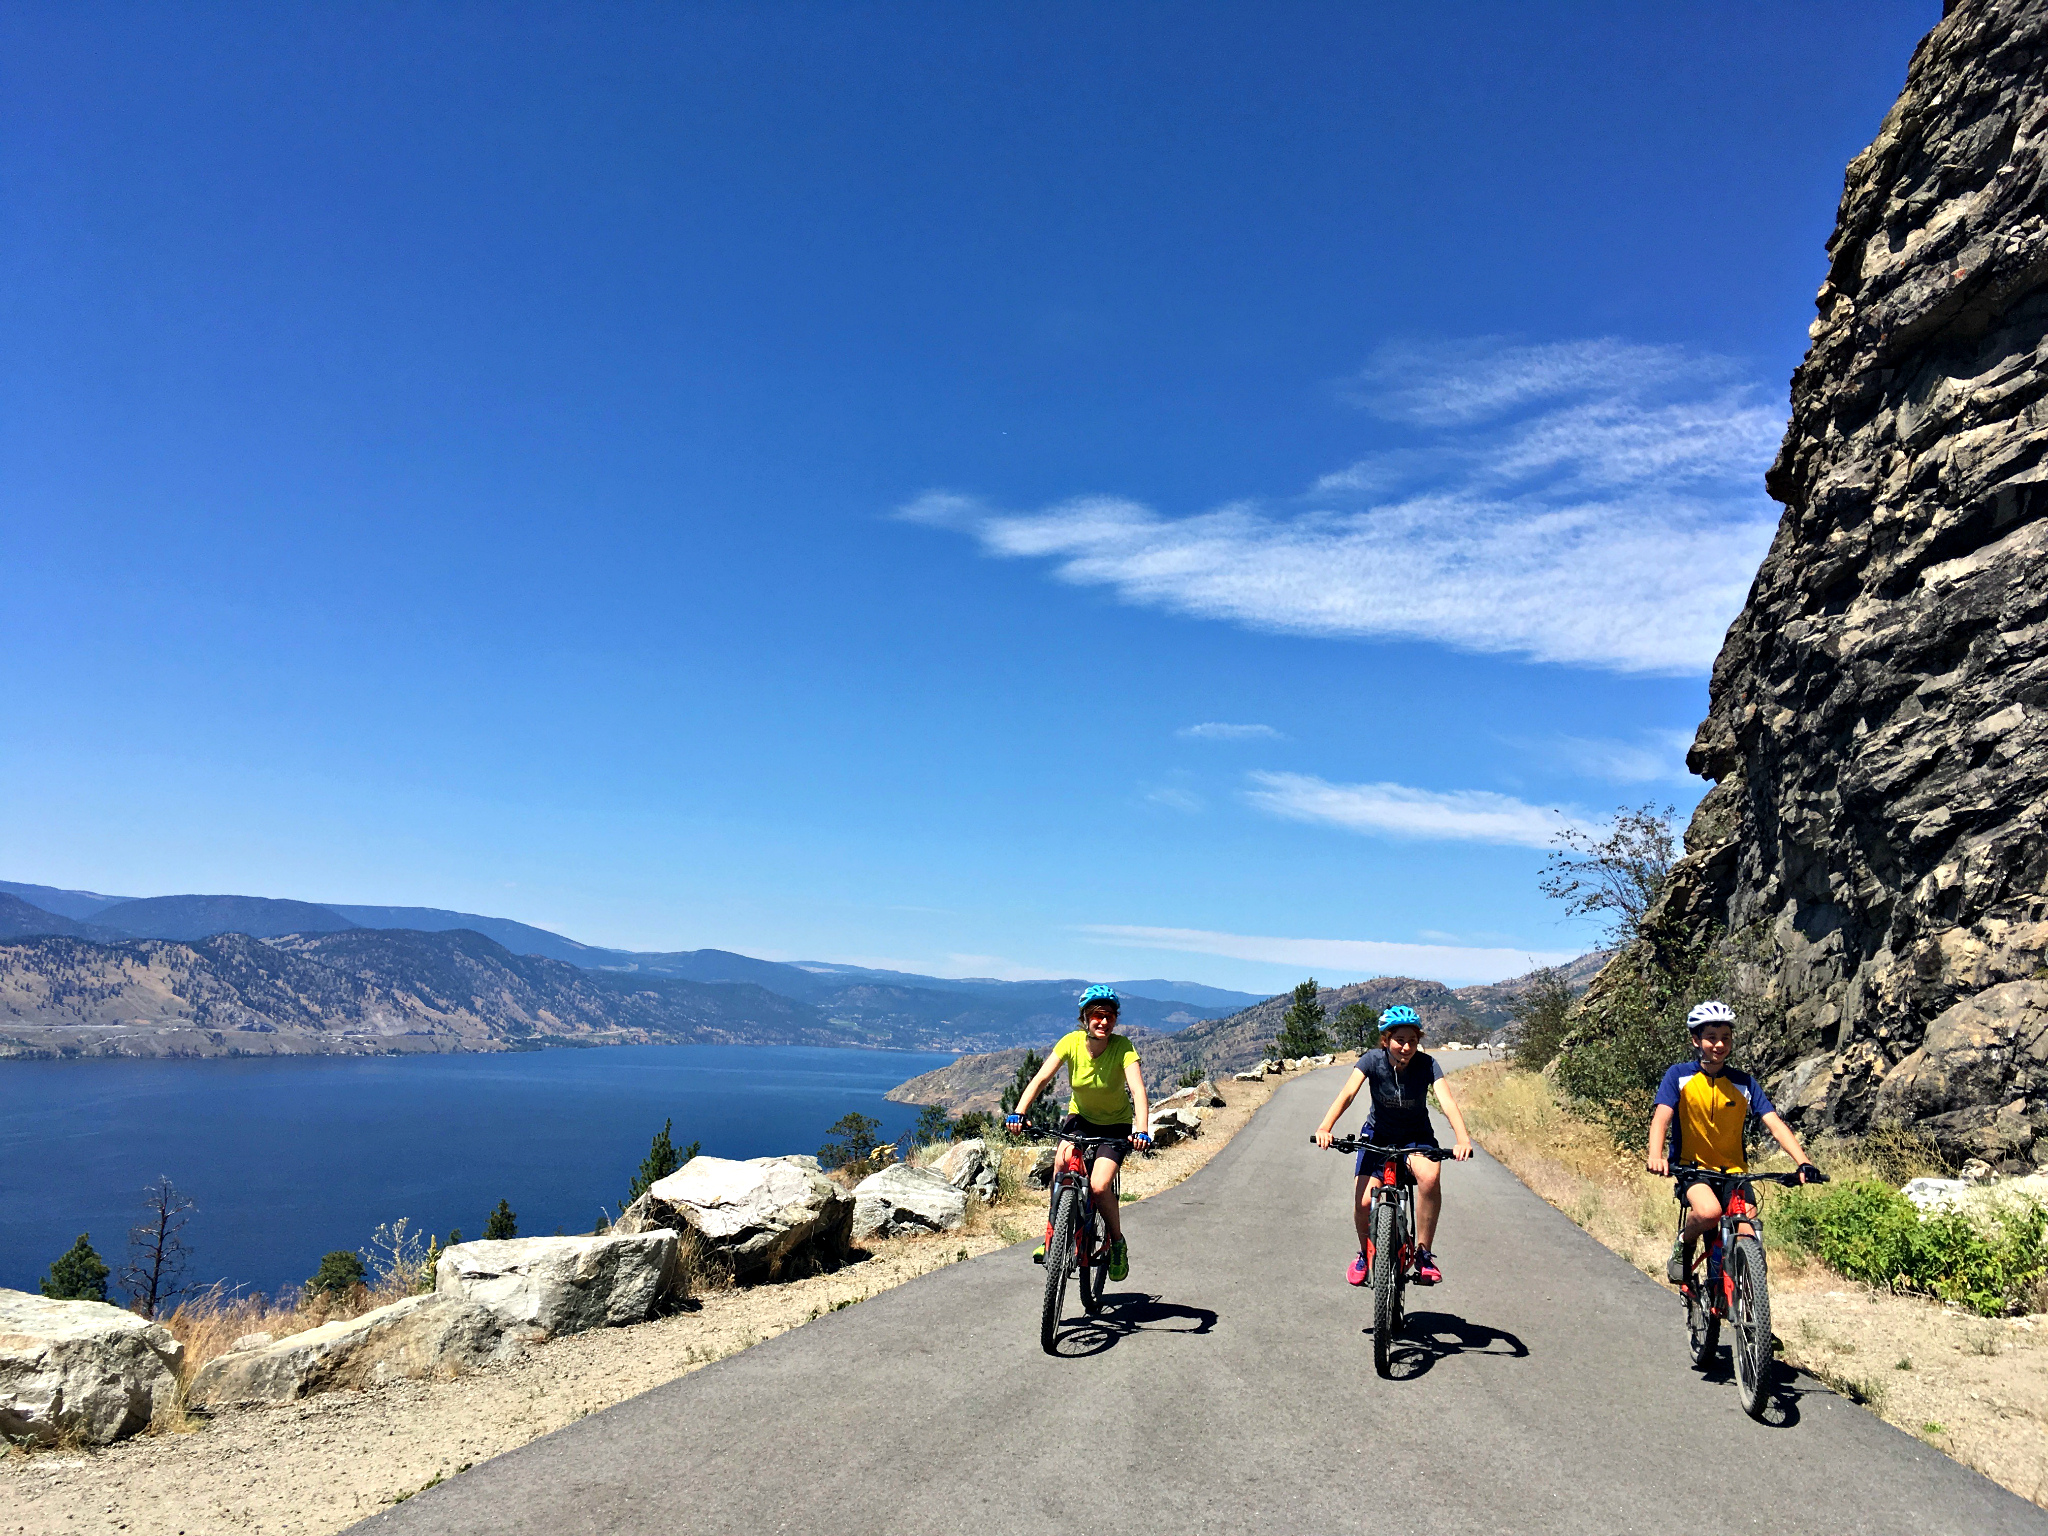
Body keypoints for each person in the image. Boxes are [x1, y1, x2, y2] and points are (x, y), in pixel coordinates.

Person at [1646, 1000, 1823, 1286]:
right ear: (1696, 1040)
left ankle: (1749, 1313)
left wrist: (1803, 1162)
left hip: (1735, 1174)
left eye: (1725, 1038)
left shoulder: (1744, 1082)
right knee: (1708, 1213)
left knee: (1749, 1234)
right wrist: (1656, 1156)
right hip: (1693, 1170)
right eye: (1711, 1038)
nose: (1719, 1045)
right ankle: (1685, 1243)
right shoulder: (1678, 1076)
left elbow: (1775, 1125)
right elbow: (1661, 1118)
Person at [1313, 1006, 1473, 1286]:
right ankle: (1364, 1253)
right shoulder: (1371, 1061)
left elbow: (1446, 1102)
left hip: (1416, 1137)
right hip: (1377, 1136)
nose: (1407, 1047)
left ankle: (1423, 1254)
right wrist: (1326, 1128)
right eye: (1400, 1040)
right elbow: (1348, 1093)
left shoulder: (1427, 1065)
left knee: (1430, 1177)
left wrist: (1463, 1139)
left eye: (1412, 1040)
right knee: (1363, 1201)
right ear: (1386, 1040)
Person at [1006, 984, 1153, 1282]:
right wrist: (1019, 1112)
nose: (1104, 1022)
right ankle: (1054, 1235)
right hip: (1081, 1119)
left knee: (1099, 1187)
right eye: (1097, 1016)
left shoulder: (1123, 1047)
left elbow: (1138, 1090)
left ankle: (1117, 1243)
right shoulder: (1070, 1042)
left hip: (1115, 1125)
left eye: (1110, 1016)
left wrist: (1141, 1129)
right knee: (1061, 1167)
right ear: (1084, 1018)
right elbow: (1041, 1078)